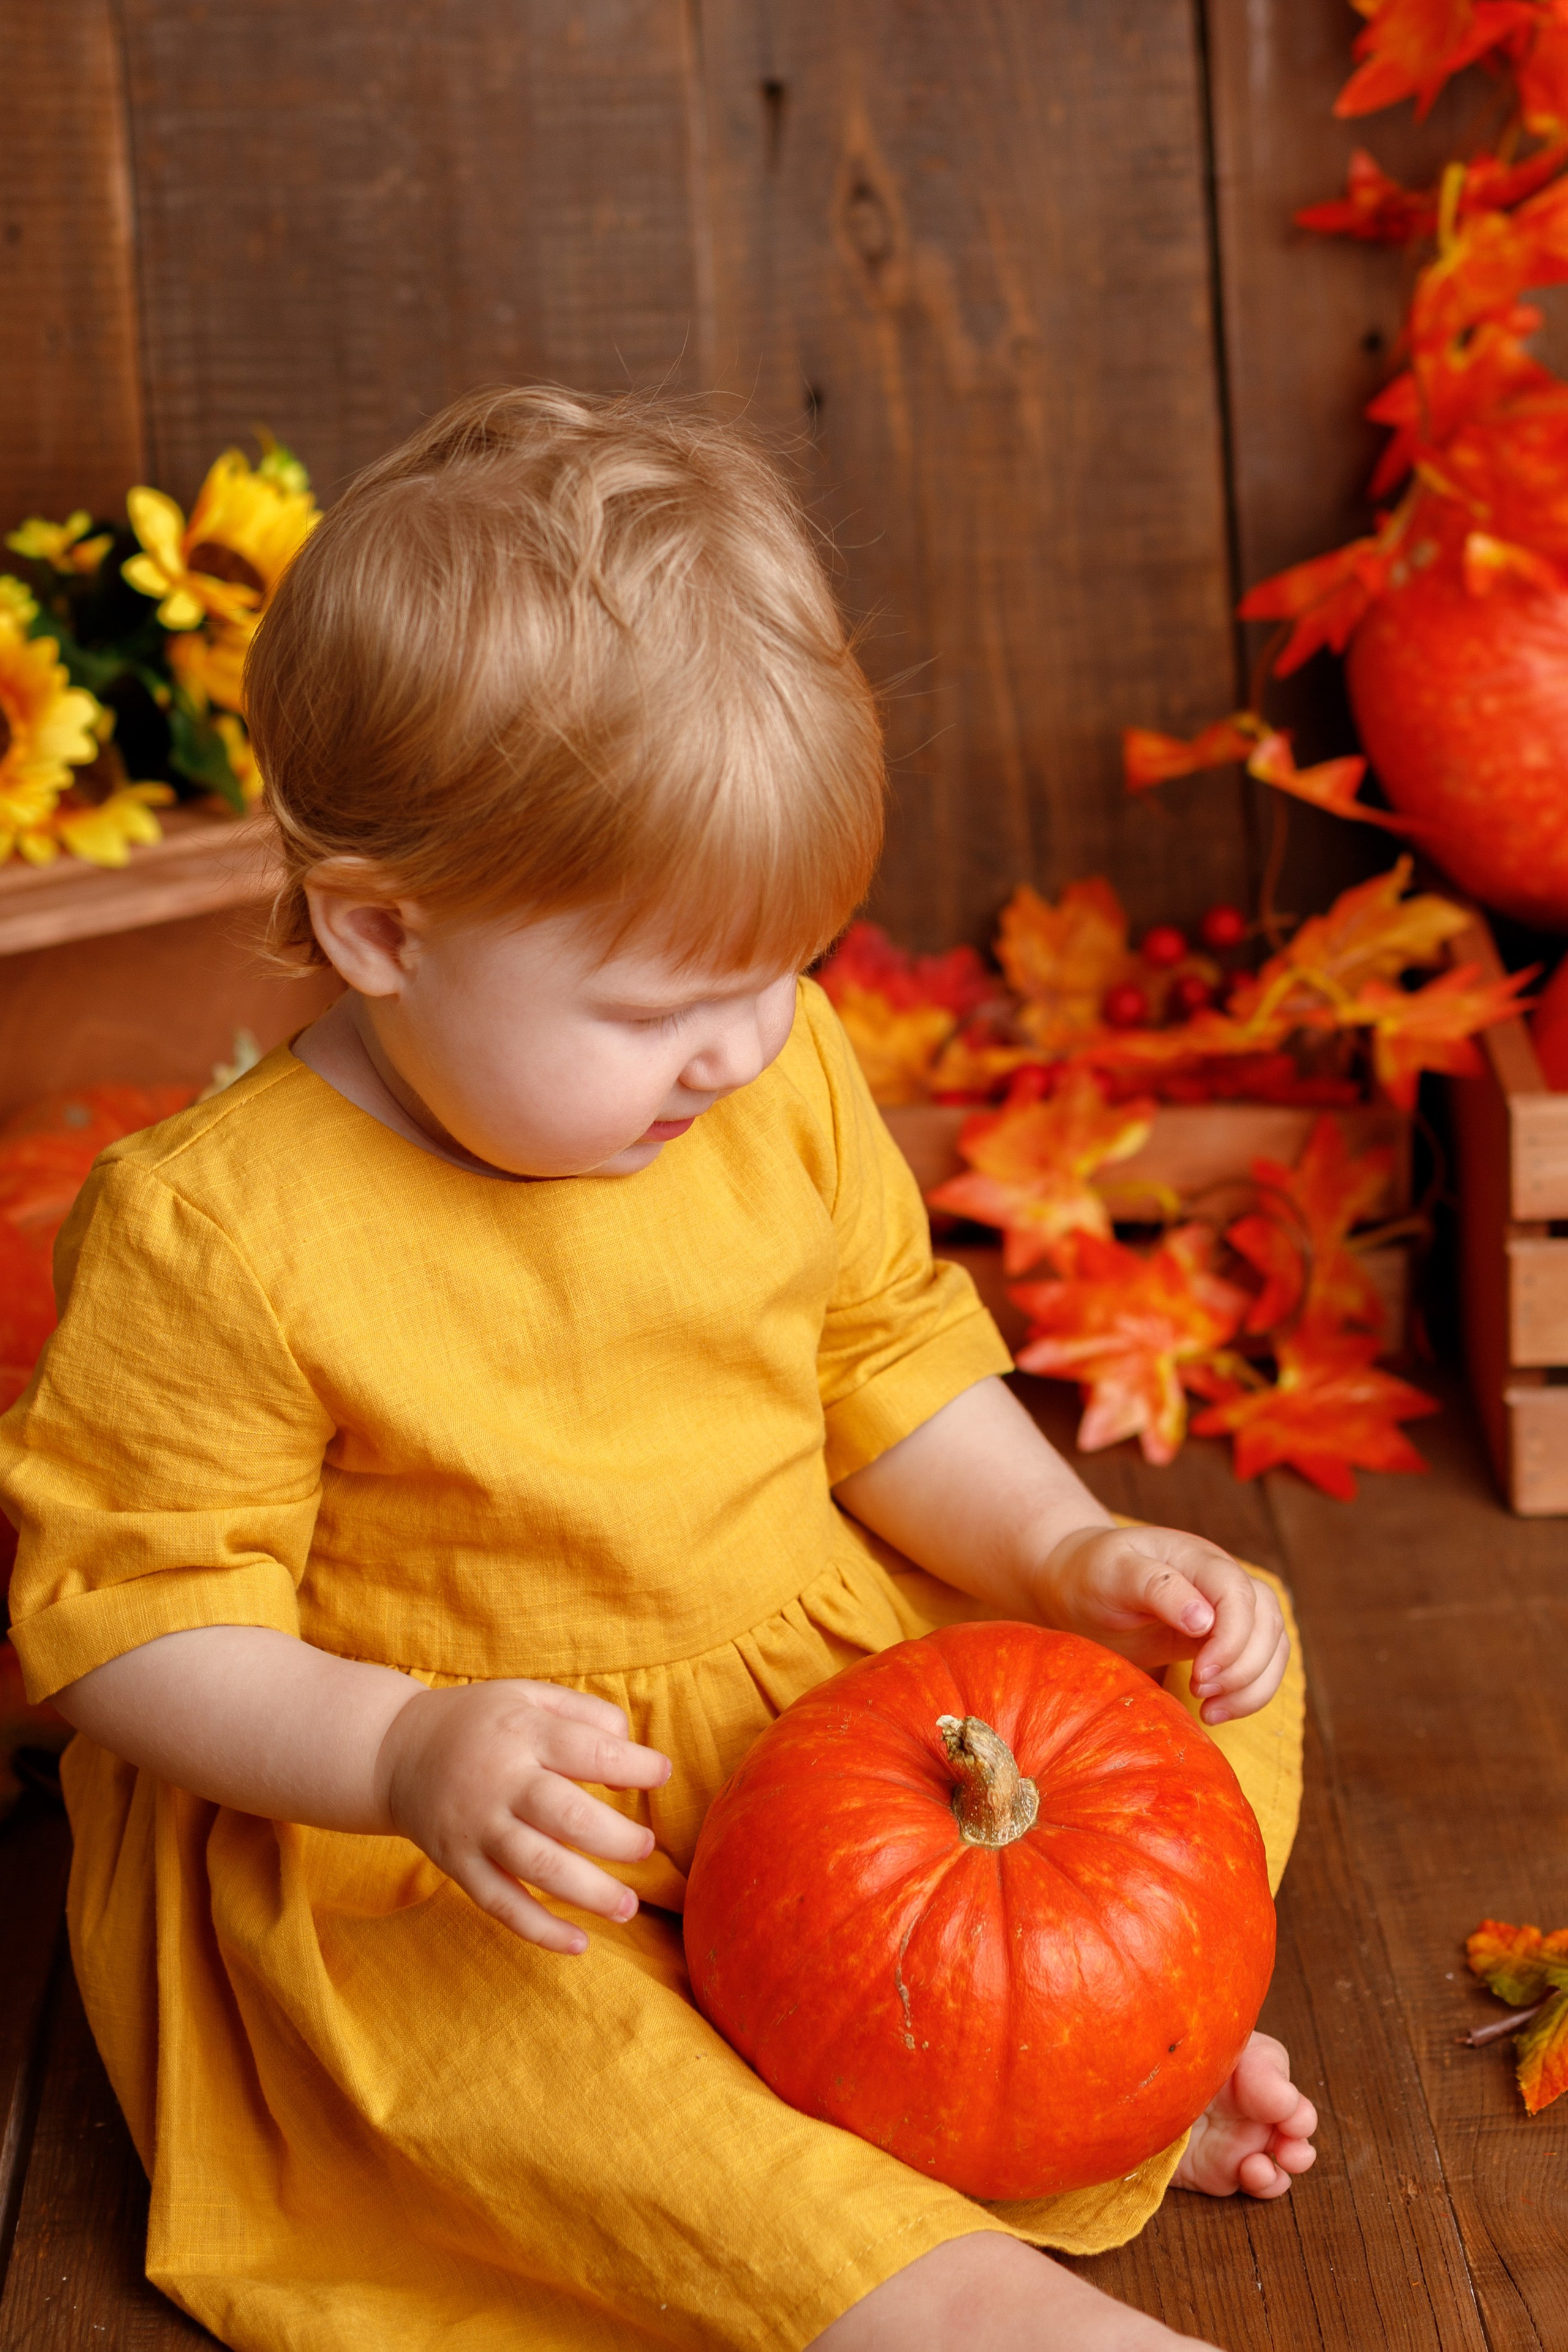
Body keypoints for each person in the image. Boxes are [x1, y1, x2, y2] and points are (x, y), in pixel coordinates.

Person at [1, 386, 1315, 2352]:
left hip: (825, 1720)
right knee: (535, 2068)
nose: (736, 1050)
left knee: (1212, 1657)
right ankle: (933, 2295)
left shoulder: (763, 1076)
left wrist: (1059, 1549)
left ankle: (1081, 2060)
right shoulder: (220, 1233)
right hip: (471, 1833)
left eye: (780, 970)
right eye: (658, 1003)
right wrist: (395, 1755)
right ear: (380, 932)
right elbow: (128, 1633)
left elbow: (889, 1358)